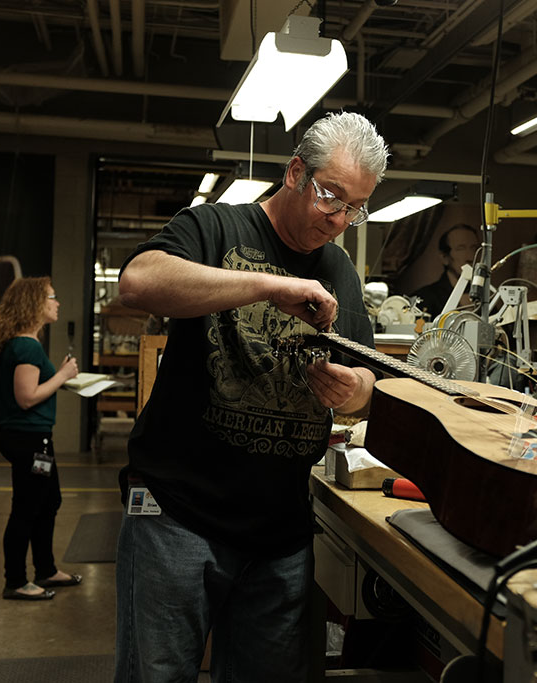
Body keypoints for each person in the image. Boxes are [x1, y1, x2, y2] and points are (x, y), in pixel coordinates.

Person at [114, 111, 388, 682]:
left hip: (279, 534)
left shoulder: (339, 269)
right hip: (178, 517)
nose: (338, 220)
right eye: (330, 197)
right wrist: (269, 285)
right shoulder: (215, 228)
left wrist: (354, 389)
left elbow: (365, 378)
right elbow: (138, 282)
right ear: (294, 172)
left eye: (353, 208)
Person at [0, 277, 82, 601]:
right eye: (52, 297)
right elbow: (27, 397)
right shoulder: (27, 345)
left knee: (48, 500)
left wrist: (58, 379)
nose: (57, 303)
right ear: (34, 304)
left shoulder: (24, 343)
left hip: (34, 440)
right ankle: (15, 581)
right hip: (29, 441)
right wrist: (63, 375)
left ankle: (46, 569)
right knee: (27, 507)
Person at [412, 223, 481, 318]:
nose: (470, 257)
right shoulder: (424, 298)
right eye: (460, 249)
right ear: (444, 257)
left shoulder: (484, 298)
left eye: (473, 248)